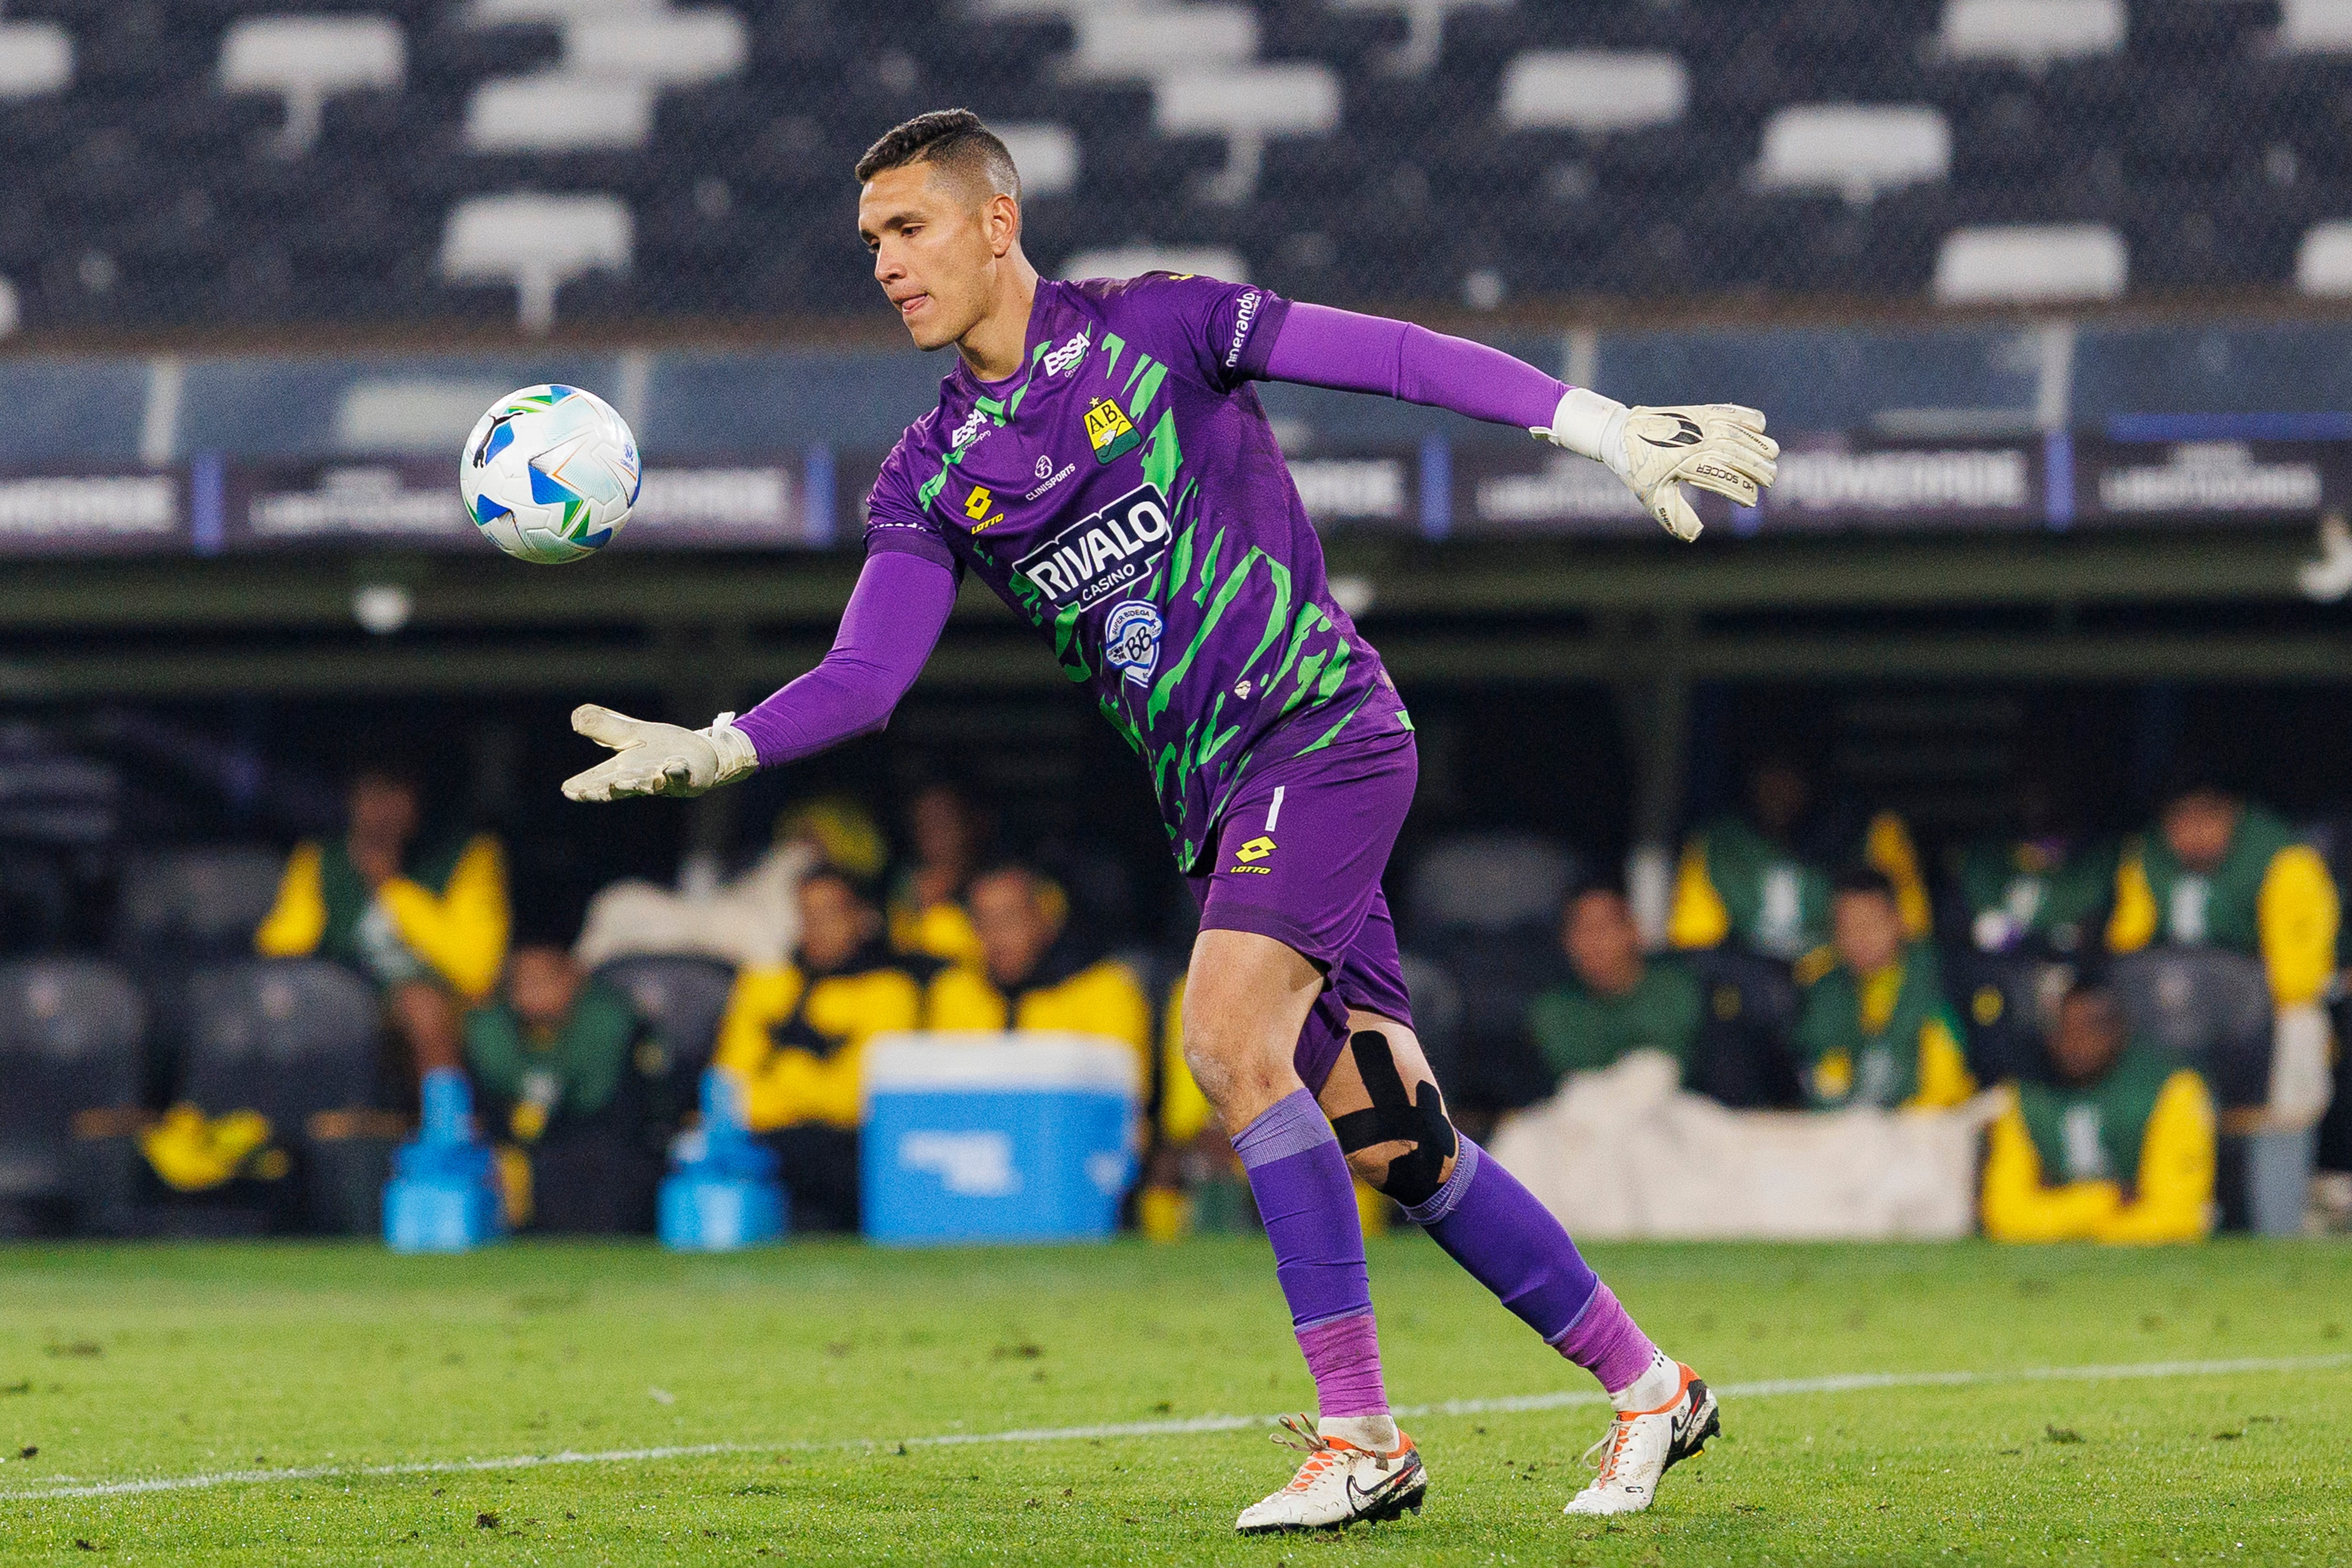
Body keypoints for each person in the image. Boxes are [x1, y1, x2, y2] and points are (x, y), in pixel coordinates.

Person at [555, 108, 1778, 1528]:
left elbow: (1387, 354)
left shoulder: (1161, 328)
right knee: (1398, 1136)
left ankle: (1360, 1436)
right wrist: (714, 744)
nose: (885, 264)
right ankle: (1649, 1386)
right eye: (871, 242)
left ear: (994, 223)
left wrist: (1598, 424)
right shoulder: (929, 468)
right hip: (1218, 799)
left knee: (1220, 1037)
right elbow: (866, 677)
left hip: (1318, 728)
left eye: (909, 229)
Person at [254, 760, 508, 1101]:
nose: (382, 811)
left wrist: (392, 886)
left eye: (395, 796)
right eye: (371, 796)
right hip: (348, 993)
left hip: (442, 998)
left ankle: (448, 1128)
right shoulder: (321, 857)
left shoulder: (466, 854)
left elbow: (477, 970)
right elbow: (281, 947)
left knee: (421, 1005)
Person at [2106, 775, 2339, 1129]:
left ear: (2231, 814)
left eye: (2205, 819)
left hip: (2260, 1013)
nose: (2192, 834)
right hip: (2175, 1006)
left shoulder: (2284, 858)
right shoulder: (2148, 855)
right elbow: (2128, 948)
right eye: (2179, 820)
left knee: (2302, 1023)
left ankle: (2283, 1144)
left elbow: (2299, 978)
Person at [710, 866, 928, 1232]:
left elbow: (856, 1100)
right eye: (807, 914)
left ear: (862, 918)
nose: (817, 927)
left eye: (831, 914)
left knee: (835, 1160)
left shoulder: (891, 989)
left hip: (842, 1149)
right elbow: (726, 1088)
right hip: (763, 1144)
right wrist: (803, 1090)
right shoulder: (764, 982)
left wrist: (784, 1079)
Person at [1979, 982, 2214, 1243]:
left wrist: (2059, 1218)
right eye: (2064, 1030)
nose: (2074, 1044)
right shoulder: (2025, 1094)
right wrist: (2108, 1201)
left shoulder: (2172, 1087)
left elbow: (2178, 1219)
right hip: (2061, 1264)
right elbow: (2005, 1218)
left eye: (2090, 1029)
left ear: (2119, 1033)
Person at [464, 939, 669, 1233]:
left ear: (572, 981)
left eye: (543, 981)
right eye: (521, 984)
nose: (531, 993)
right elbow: (492, 1111)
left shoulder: (609, 1022)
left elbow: (629, 1111)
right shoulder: (493, 1030)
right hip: (524, 1151)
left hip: (603, 1147)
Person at [1670, 754, 1929, 969]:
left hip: (1844, 991)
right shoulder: (1718, 843)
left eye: (1788, 777)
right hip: (1756, 996)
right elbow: (1695, 946)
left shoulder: (1870, 832)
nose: (1777, 790)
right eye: (1768, 776)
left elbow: (1912, 930)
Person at [924, 861, 1152, 1081]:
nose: (997, 938)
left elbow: (1120, 1095)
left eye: (1010, 919)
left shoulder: (1106, 989)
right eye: (985, 924)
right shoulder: (953, 991)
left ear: (1042, 920)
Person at [1794, 869, 1976, 1111]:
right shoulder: (1827, 992)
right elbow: (1821, 1086)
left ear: (1897, 921)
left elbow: (1949, 1088)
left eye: (1871, 924)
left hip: (1929, 1125)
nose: (1860, 937)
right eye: (1848, 927)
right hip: (1853, 1130)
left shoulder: (1940, 975)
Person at [1525, 884, 1703, 1086]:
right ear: (1567, 942)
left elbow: (1665, 1071)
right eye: (1582, 929)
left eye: (1604, 927)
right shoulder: (1551, 1009)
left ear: (1634, 931)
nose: (1593, 941)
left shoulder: (1677, 989)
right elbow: (1577, 1082)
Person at [1950, 764, 2117, 955]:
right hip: (2004, 965)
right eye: (2029, 795)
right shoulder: (1987, 855)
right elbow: (1985, 929)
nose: (2038, 804)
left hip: (2067, 963)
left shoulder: (2094, 861)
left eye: (2047, 794)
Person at [888, 782, 988, 966]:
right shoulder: (901, 884)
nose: (934, 829)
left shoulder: (988, 881)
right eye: (924, 820)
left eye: (943, 819)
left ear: (966, 823)